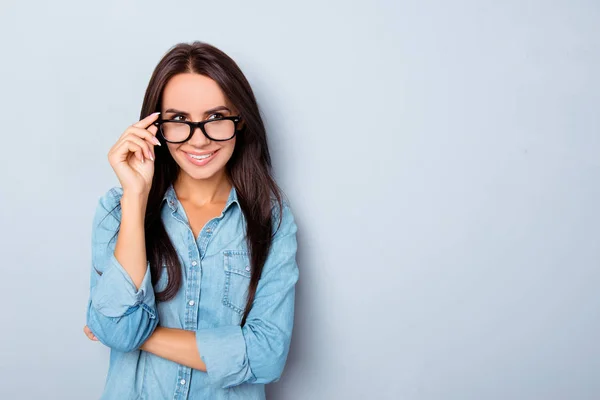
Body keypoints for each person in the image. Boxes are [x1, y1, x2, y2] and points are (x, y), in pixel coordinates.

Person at [82, 41, 299, 400]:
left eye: (215, 118)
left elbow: (266, 356)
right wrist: (136, 197)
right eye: (179, 120)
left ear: (240, 121)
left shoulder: (270, 220)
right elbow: (116, 332)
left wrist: (137, 334)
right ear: (156, 127)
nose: (198, 141)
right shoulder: (117, 210)